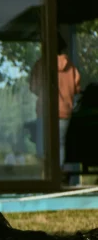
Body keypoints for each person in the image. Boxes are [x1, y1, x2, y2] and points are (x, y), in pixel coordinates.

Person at [30, 34, 81, 180]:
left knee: (43, 145)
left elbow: (34, 86)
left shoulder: (41, 64)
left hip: (45, 110)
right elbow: (77, 88)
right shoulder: (71, 67)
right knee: (60, 144)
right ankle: (57, 176)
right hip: (64, 111)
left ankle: (46, 177)